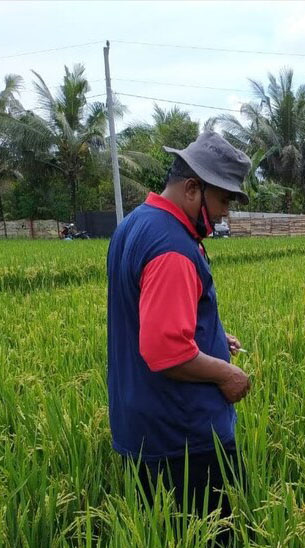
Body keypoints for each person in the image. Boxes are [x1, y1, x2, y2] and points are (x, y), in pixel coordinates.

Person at [106, 131, 252, 524]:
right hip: (184, 439)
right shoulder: (172, 248)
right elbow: (165, 350)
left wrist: (215, 338)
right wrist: (228, 373)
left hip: (144, 426)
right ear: (192, 188)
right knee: (213, 535)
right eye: (223, 199)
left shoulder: (136, 224)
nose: (225, 213)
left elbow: (149, 316)